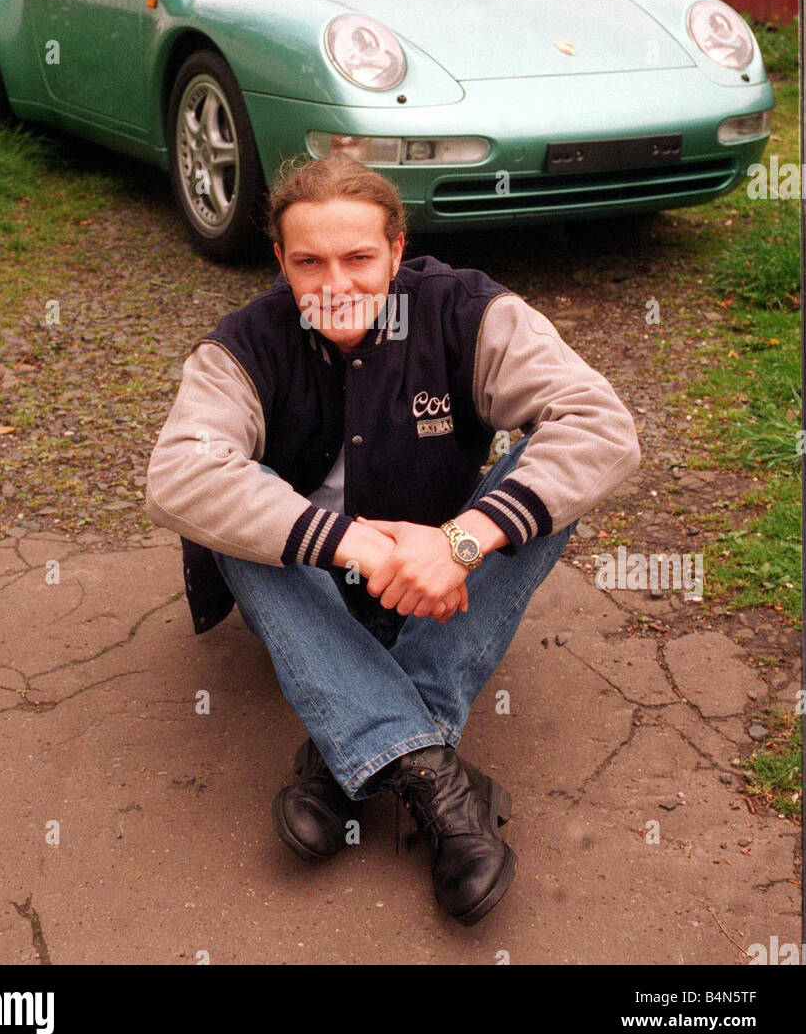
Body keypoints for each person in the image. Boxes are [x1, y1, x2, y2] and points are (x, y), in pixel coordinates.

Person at [145, 154, 641, 926]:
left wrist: (466, 540)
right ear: (279, 259)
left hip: (435, 577)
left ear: (397, 250)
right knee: (232, 518)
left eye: (358, 258)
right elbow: (176, 476)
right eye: (307, 262)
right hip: (311, 589)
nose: (334, 284)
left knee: (545, 488)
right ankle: (431, 776)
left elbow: (602, 427)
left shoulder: (465, 309)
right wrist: (354, 544)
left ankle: (349, 762)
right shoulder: (243, 343)